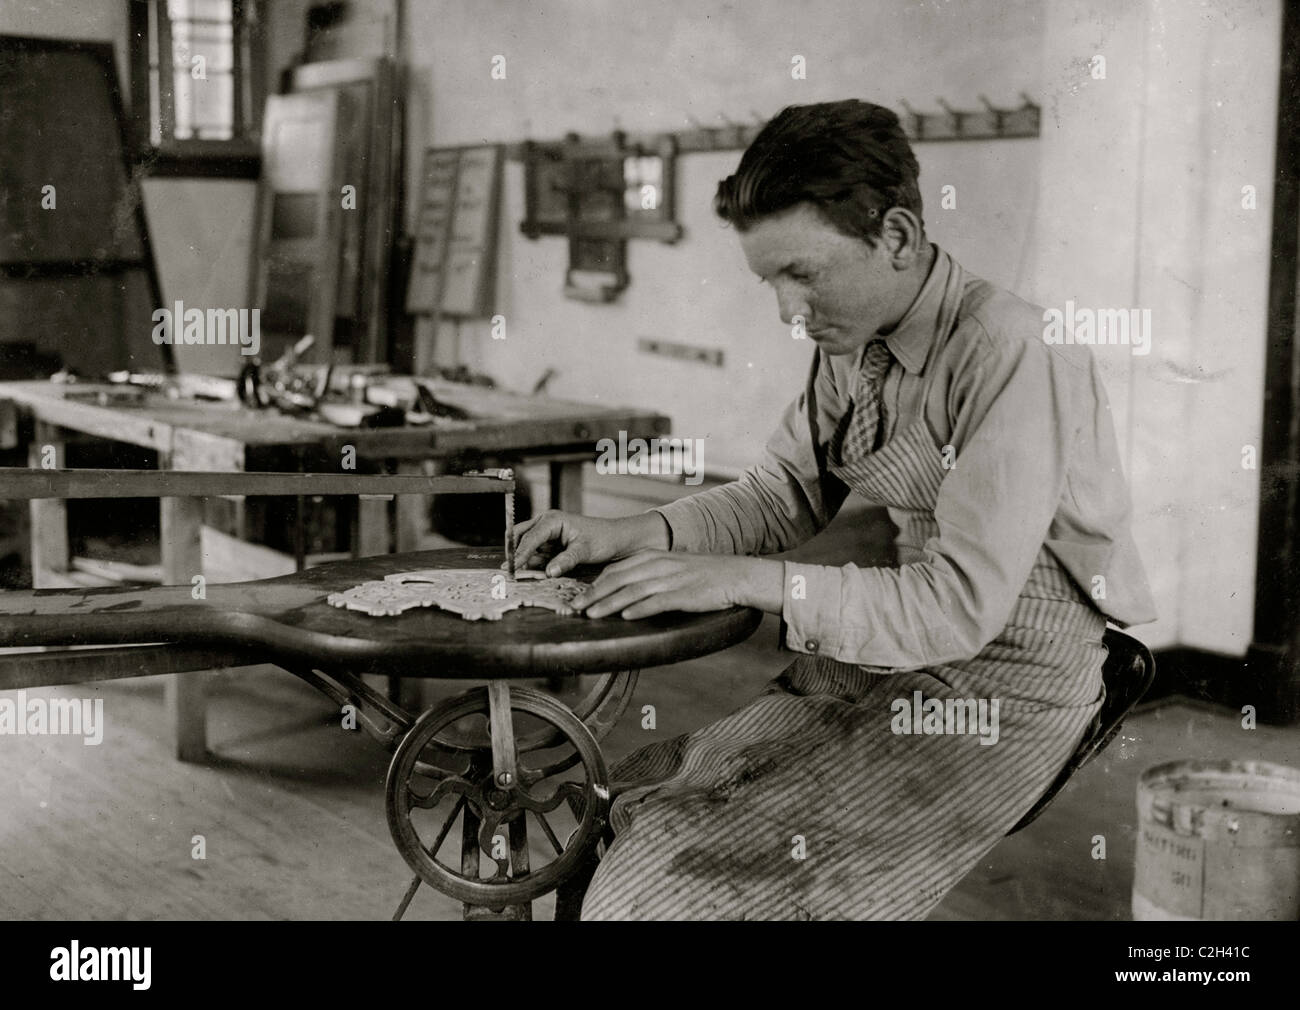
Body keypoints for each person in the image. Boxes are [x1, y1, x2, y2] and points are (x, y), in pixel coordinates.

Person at [512, 99, 1158, 920]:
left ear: (895, 236)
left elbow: (959, 607)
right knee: (631, 801)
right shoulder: (852, 347)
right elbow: (779, 494)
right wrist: (630, 531)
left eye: (802, 274)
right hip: (892, 648)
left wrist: (742, 580)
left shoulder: (1016, 351)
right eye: (770, 281)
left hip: (1008, 683)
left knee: (674, 898)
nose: (788, 312)